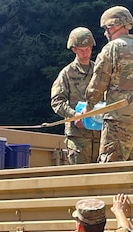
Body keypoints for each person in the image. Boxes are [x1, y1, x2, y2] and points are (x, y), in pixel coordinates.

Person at [84, 6, 133, 163]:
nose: (105, 33)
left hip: (118, 122)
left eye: (106, 28)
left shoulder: (112, 48)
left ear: (114, 26)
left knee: (111, 170)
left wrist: (88, 108)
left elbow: (99, 83)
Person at [51, 27, 100, 164]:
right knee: (81, 178)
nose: (85, 53)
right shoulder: (67, 73)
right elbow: (57, 101)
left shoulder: (99, 71)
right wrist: (74, 115)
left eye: (88, 49)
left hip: (100, 134)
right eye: (81, 50)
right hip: (78, 137)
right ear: (74, 49)